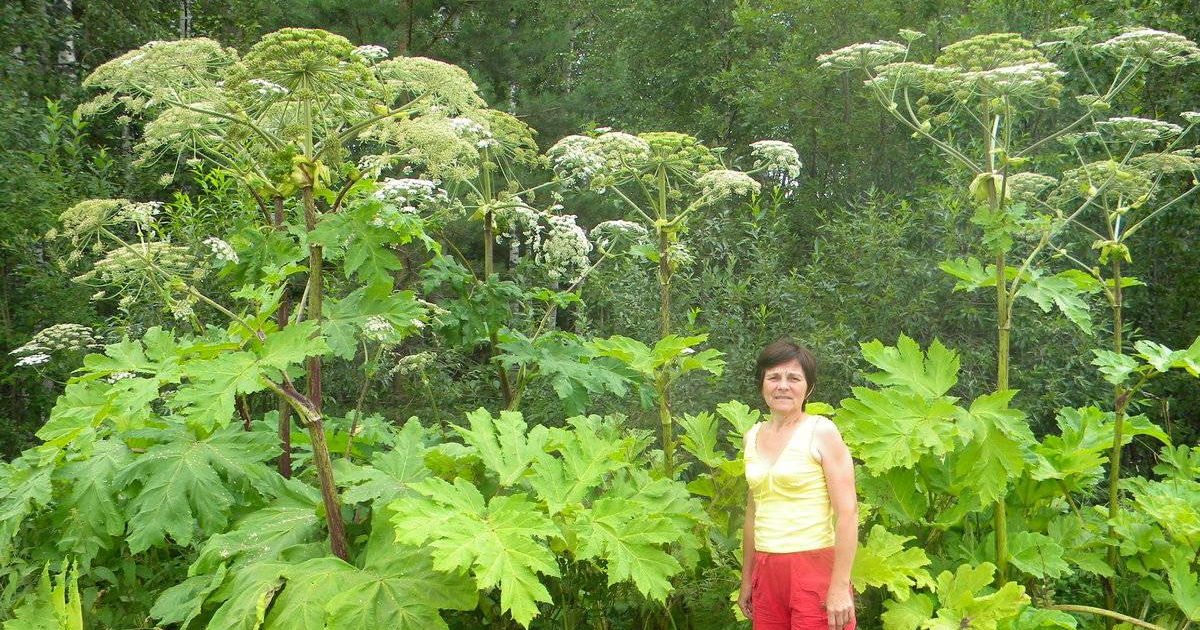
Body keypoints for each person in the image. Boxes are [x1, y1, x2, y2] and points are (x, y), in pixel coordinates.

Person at [738, 338, 858, 630]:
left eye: (794, 378)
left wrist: (840, 586)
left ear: (809, 388)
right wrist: (747, 579)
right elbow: (753, 514)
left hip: (813, 568)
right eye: (774, 377)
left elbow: (848, 512)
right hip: (766, 571)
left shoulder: (821, 432)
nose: (783, 386)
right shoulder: (751, 437)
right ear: (761, 384)